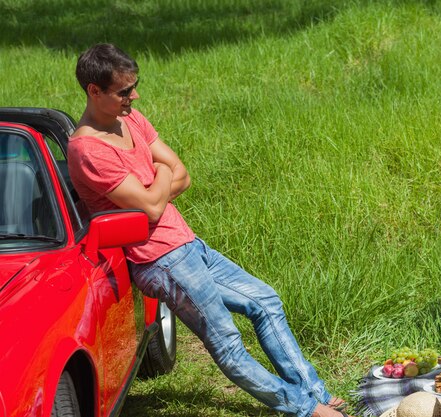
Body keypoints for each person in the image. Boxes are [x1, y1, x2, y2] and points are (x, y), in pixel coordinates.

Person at [67, 43, 351, 417]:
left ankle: (314, 391)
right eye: (123, 91)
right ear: (94, 91)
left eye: (134, 86)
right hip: (159, 260)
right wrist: (161, 175)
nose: (133, 96)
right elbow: (154, 202)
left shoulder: (130, 119)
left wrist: (158, 180)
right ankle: (306, 409)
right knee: (228, 345)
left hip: (186, 244)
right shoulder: (88, 150)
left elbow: (182, 174)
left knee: (266, 301)